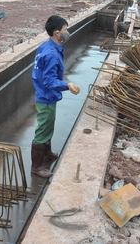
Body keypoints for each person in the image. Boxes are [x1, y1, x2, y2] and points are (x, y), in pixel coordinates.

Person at [31, 15, 80, 178]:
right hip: (46, 97)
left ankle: (47, 153)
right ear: (57, 33)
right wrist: (67, 84)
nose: (68, 32)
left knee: (48, 124)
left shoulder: (46, 46)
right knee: (43, 128)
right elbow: (49, 80)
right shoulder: (52, 53)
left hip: (44, 94)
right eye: (66, 30)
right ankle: (36, 166)